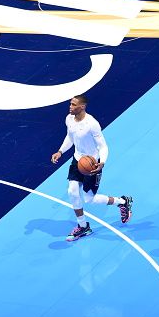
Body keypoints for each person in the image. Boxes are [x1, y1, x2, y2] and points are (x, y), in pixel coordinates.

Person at [51, 94, 133, 242]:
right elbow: (70, 137)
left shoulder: (92, 124)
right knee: (72, 192)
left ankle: (122, 202)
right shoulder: (69, 119)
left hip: (92, 164)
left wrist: (102, 162)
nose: (70, 106)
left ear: (82, 107)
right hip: (77, 161)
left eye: (73, 104)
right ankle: (83, 227)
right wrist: (60, 151)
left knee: (90, 200)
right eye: (70, 104)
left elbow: (103, 146)